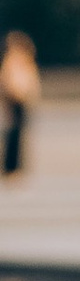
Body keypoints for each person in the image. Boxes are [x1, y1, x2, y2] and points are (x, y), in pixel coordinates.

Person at [0, 32, 38, 180]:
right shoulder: (11, 61)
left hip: (23, 101)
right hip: (13, 100)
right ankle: (10, 168)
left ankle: (16, 168)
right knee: (13, 135)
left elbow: (31, 82)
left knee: (20, 135)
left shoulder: (25, 62)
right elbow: (6, 83)